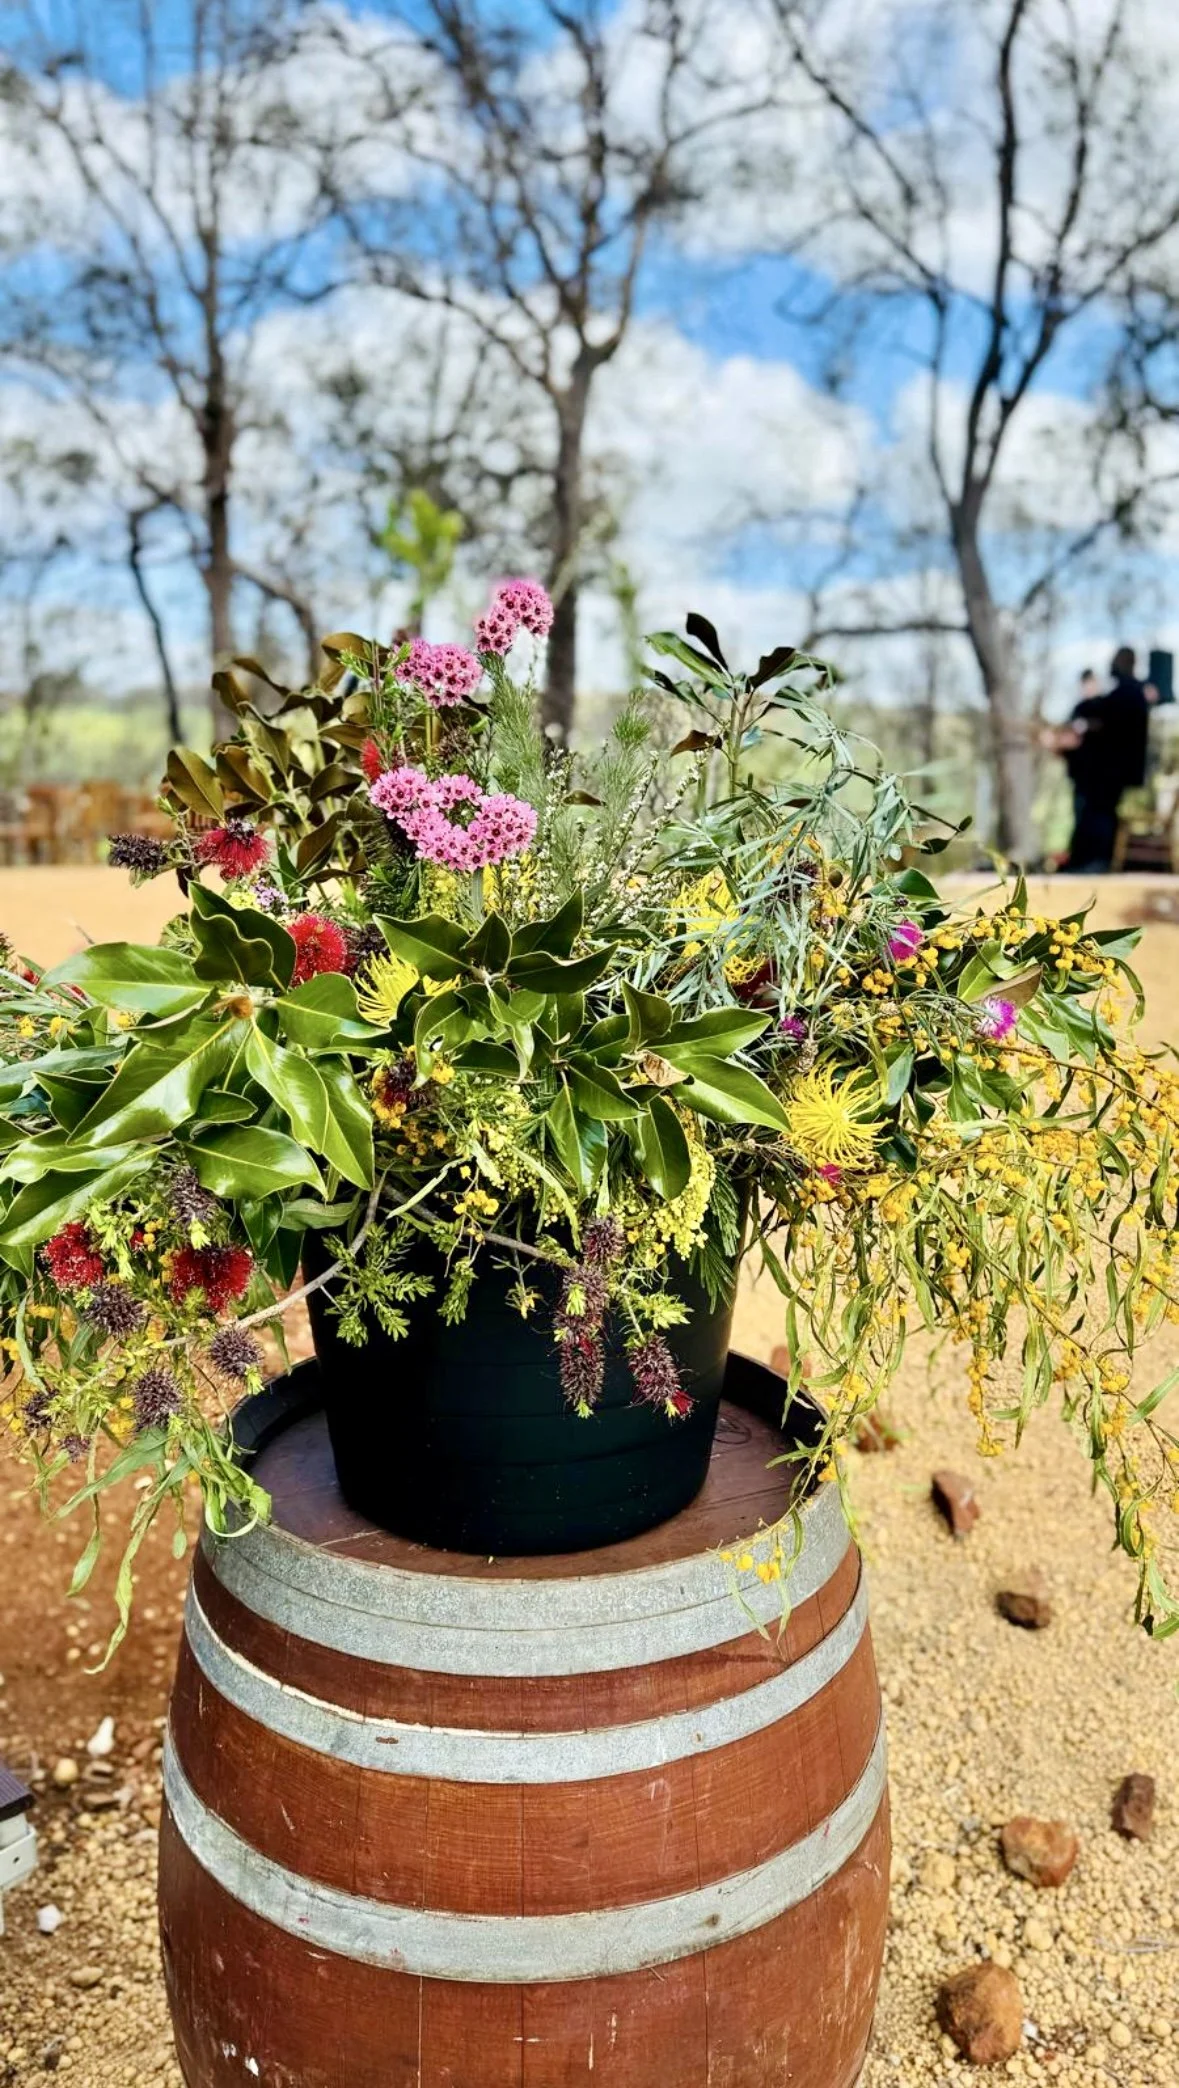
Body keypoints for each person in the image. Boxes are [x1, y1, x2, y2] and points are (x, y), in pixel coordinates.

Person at [1053, 649, 1150, 873]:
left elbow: (1108, 718)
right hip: (1107, 772)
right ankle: (1085, 859)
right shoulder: (1128, 693)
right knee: (1095, 814)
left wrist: (1087, 723)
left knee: (1101, 815)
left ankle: (1095, 861)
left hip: (1112, 772)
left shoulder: (1128, 693)